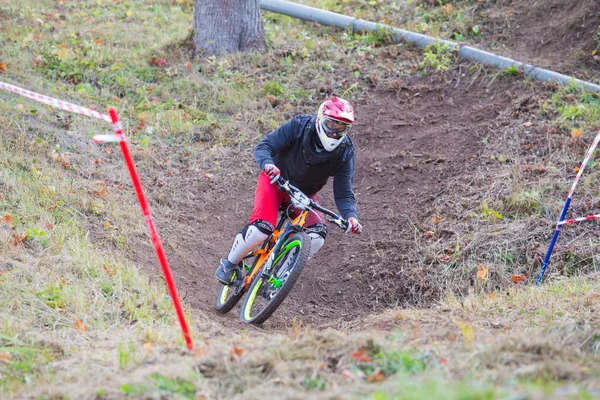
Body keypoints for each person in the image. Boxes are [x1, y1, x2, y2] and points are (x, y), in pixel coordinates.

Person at [215, 97, 362, 285]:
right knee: (262, 230)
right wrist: (268, 164)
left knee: (317, 235)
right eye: (331, 124)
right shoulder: (299, 126)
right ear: (320, 119)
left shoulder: (345, 152)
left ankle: (281, 274)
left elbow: (343, 192)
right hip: (274, 181)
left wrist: (351, 216)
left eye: (341, 127)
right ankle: (229, 264)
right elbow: (265, 146)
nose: (334, 132)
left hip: (303, 196)